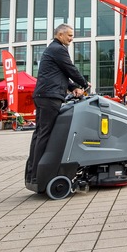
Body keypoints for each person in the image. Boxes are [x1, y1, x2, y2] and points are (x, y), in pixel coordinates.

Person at [26, 24, 90, 183]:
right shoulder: (59, 49)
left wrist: (73, 87)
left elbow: (60, 75)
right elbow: (70, 69)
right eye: (70, 35)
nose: (72, 38)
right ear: (60, 34)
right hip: (50, 97)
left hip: (43, 95)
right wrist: (84, 83)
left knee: (39, 134)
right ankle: (39, 176)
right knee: (45, 135)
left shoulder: (52, 49)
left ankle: (32, 174)